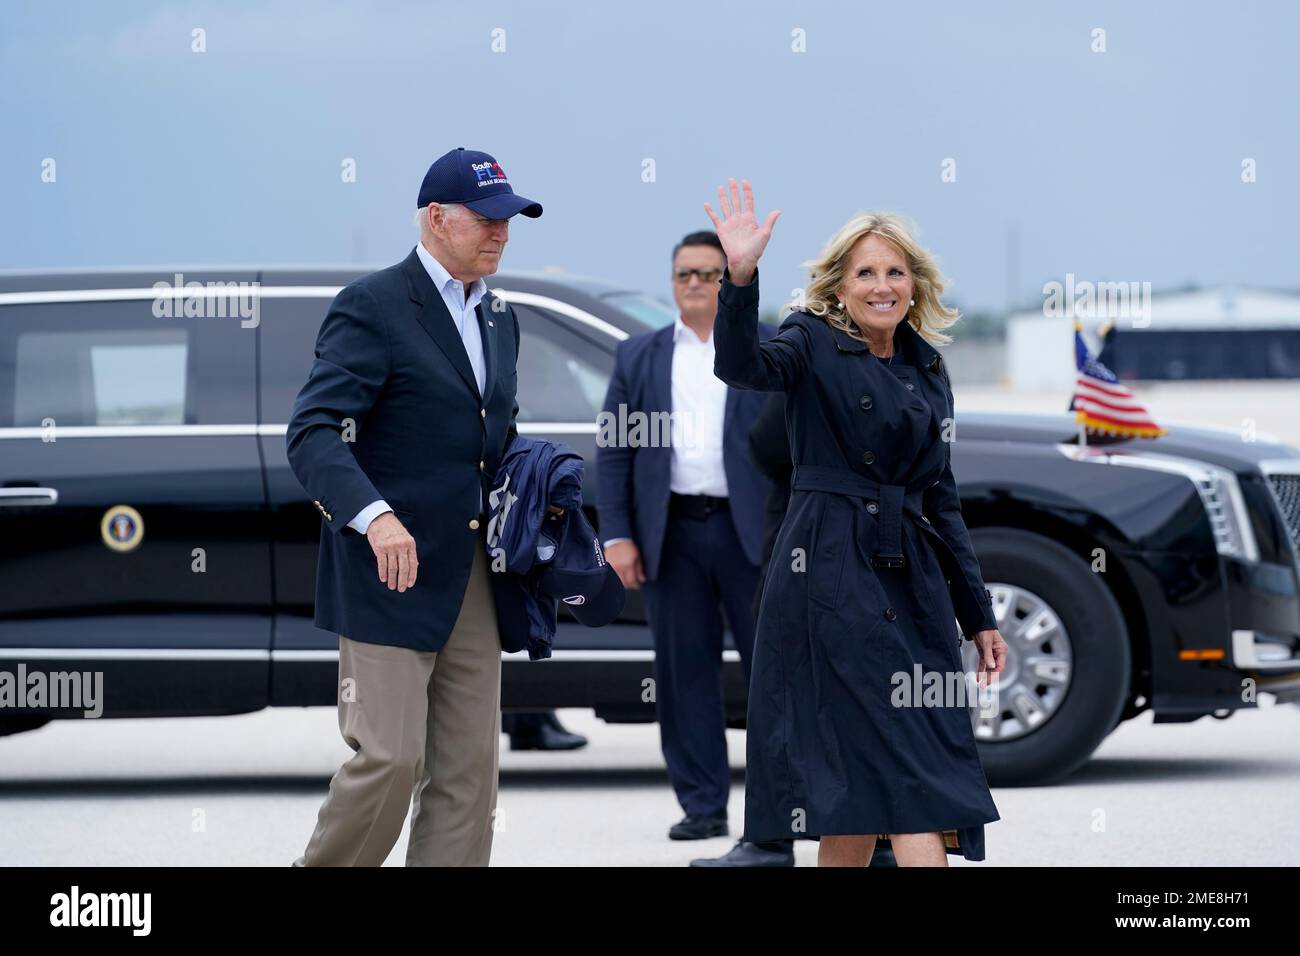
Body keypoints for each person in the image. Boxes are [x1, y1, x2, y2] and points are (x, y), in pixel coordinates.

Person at [705, 178, 1008, 867]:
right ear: (839, 288)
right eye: (865, 272)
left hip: (912, 582)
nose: (881, 285)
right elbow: (741, 365)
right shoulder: (808, 340)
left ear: (914, 284)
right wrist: (741, 275)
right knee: (909, 787)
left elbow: (944, 498)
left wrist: (978, 614)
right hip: (828, 577)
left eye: (894, 272)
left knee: (853, 798)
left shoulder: (928, 368)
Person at [286, 147, 542, 866]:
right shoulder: (372, 306)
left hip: (473, 579)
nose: (501, 233)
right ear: (436, 219)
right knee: (390, 761)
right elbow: (311, 433)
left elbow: (491, 437)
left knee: (467, 781)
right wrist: (376, 516)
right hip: (387, 574)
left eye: (509, 220)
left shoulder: (500, 318)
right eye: (487, 219)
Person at [596, 231, 774, 846]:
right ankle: (702, 805)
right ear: (671, 282)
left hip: (755, 537)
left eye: (708, 273)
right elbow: (614, 451)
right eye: (683, 274)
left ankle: (778, 812)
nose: (695, 283)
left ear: (729, 280)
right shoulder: (638, 356)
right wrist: (617, 535)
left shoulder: (766, 349)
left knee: (773, 675)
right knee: (683, 676)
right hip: (670, 534)